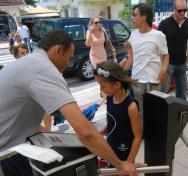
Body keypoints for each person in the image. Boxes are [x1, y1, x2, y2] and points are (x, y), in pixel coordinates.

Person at [0, 29, 142, 176]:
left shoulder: (28, 63)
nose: (68, 64)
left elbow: (16, 116)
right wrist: (120, 165)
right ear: (58, 50)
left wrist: (53, 137)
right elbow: (84, 131)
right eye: (69, 57)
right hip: (7, 153)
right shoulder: (44, 69)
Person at [128, 3, 169, 128]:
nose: (131, 18)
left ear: (144, 17)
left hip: (153, 80)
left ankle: (155, 134)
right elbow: (131, 58)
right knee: (140, 110)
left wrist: (163, 70)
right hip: (137, 80)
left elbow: (166, 55)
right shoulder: (133, 35)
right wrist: (118, 71)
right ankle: (142, 133)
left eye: (135, 15)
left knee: (155, 109)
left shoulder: (158, 35)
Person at [94, 60, 142, 165]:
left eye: (103, 86)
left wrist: (129, 162)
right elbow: (115, 120)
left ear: (116, 84)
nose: (101, 89)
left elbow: (138, 136)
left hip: (124, 150)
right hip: (111, 145)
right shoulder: (110, 98)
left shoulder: (131, 107)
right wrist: (104, 130)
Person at [158, 0, 188, 100]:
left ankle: (180, 113)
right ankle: (162, 113)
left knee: (182, 92)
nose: (182, 13)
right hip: (167, 65)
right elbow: (157, 43)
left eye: (185, 10)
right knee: (163, 92)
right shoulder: (164, 24)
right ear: (173, 10)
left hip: (182, 64)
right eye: (180, 11)